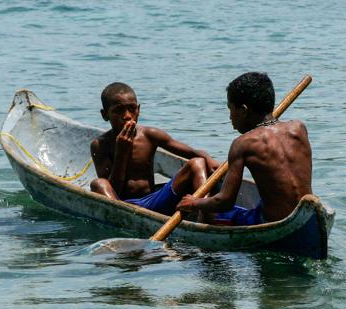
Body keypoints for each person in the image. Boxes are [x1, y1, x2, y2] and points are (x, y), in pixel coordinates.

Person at [176, 72, 312, 225]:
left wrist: (194, 202)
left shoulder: (243, 144)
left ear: (244, 110)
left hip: (270, 221)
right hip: (309, 217)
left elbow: (224, 202)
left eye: (230, 109)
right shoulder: (299, 128)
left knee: (213, 215)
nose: (230, 117)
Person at [89, 82, 219, 214]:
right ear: (105, 115)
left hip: (154, 200)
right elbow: (113, 189)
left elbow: (192, 152)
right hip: (123, 205)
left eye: (132, 109)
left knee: (198, 162)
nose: (127, 116)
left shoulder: (150, 135)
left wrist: (208, 158)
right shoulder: (100, 145)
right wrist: (122, 154)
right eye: (118, 110)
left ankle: (206, 215)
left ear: (138, 110)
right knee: (98, 184)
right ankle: (125, 219)